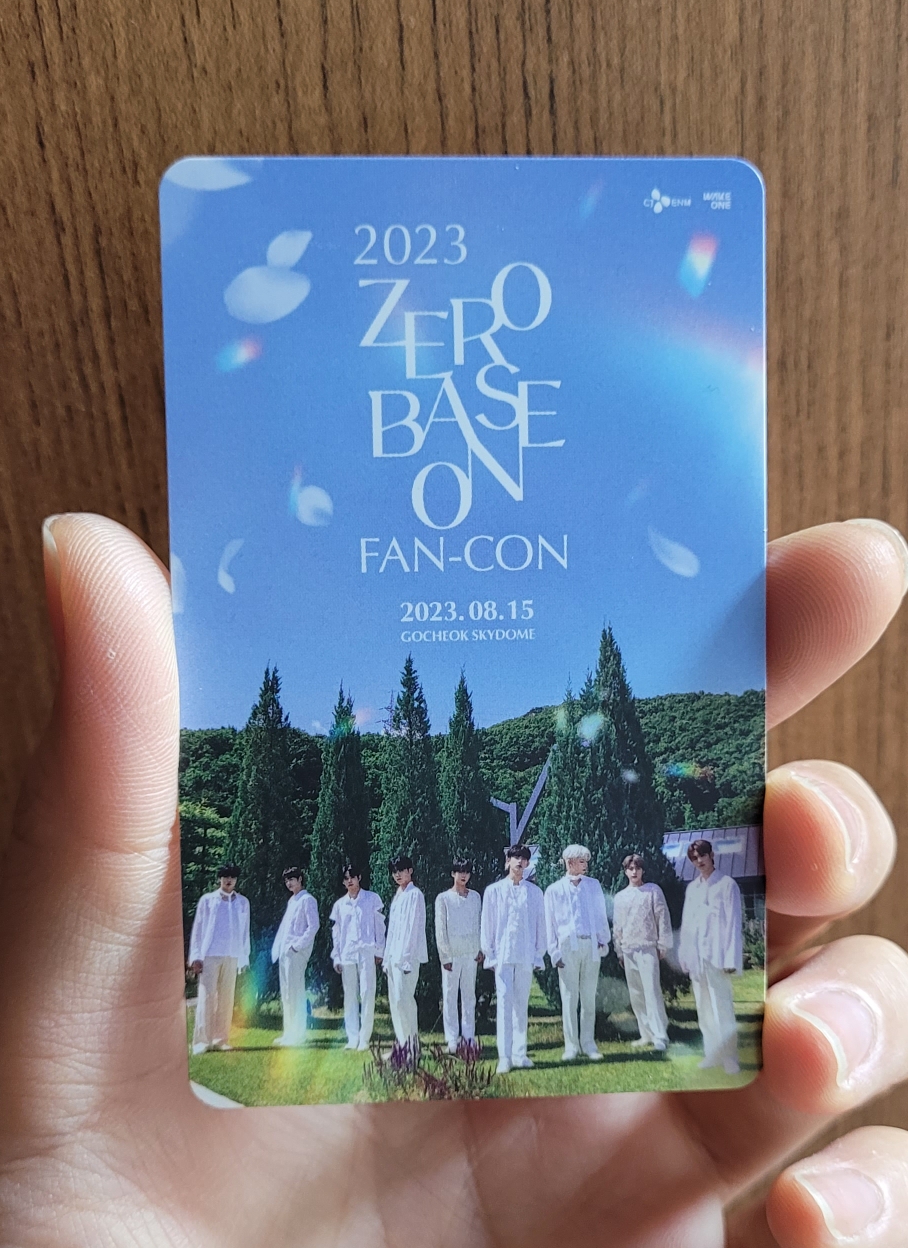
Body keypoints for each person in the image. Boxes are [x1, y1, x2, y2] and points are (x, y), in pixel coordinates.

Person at [4, 514, 908, 1248]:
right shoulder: (423, 899)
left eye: (540, 861)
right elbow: (414, 927)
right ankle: (489, 1053)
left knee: (562, 1005)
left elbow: (569, 918)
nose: (536, 865)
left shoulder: (538, 894)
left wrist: (543, 942)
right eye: (530, 861)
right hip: (436, 955)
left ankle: (573, 1049)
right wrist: (438, 950)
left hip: (544, 949)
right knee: (417, 1009)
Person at [678, 839, 743, 1075]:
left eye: (702, 855)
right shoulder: (692, 889)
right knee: (704, 1009)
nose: (699, 861)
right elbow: (687, 924)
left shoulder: (727, 885)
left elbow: (733, 924)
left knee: (721, 1008)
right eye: (694, 858)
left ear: (711, 855)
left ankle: (730, 1057)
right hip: (697, 957)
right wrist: (685, 954)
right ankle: (712, 1054)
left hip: (718, 957)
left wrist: (730, 959)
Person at [481, 844, 546, 1074]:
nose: (519, 862)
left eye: (523, 859)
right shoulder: (494, 891)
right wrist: (490, 954)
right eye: (515, 857)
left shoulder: (535, 893)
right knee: (505, 1005)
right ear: (508, 861)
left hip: (525, 955)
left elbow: (540, 925)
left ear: (527, 863)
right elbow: (487, 924)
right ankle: (505, 1057)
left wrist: (538, 955)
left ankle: (520, 1054)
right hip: (503, 956)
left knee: (521, 1006)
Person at [544, 844, 610, 1062]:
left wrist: (603, 940)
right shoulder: (554, 890)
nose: (585, 865)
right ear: (570, 862)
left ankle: (589, 1043)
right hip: (567, 948)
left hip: (590, 945)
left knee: (589, 998)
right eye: (582, 861)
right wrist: (554, 952)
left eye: (586, 861)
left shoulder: (593, 885)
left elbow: (601, 913)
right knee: (569, 998)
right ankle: (571, 1046)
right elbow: (550, 923)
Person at [187, 863, 250, 1055]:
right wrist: (196, 956)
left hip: (232, 955)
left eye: (232, 877)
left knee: (226, 999)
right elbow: (198, 930)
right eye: (225, 877)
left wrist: (244, 957)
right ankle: (201, 1041)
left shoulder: (243, 903)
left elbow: (245, 932)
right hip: (210, 955)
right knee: (206, 997)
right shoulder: (207, 900)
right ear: (220, 879)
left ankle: (221, 1039)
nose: (229, 880)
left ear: (236, 880)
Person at [612, 853, 673, 1053]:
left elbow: (662, 917)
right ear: (625, 872)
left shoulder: (653, 891)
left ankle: (660, 1035)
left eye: (637, 868)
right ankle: (646, 1034)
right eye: (630, 868)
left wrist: (663, 944)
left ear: (642, 870)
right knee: (636, 994)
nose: (634, 872)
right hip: (628, 949)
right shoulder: (620, 897)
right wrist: (619, 951)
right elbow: (617, 927)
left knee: (652, 992)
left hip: (648, 948)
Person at [329, 863, 385, 1051]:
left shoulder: (371, 899)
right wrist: (336, 956)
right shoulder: (340, 905)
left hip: (367, 951)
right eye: (346, 878)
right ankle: (352, 1037)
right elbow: (337, 933)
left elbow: (379, 926)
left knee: (367, 993)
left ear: (359, 878)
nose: (350, 881)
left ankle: (364, 1038)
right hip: (347, 953)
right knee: (350, 996)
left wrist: (379, 950)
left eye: (352, 877)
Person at [435, 857, 483, 1052]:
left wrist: (480, 949)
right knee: (450, 996)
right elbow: (440, 929)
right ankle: (452, 1039)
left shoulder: (475, 897)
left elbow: (479, 924)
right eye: (460, 872)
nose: (463, 876)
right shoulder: (443, 898)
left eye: (467, 872)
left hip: (470, 953)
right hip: (452, 956)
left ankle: (469, 1038)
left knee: (469, 996)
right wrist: (445, 956)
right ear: (453, 873)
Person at [270, 866, 319, 1047]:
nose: (289, 883)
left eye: (292, 879)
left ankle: (298, 1034)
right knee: (287, 993)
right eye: (286, 880)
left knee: (295, 992)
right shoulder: (292, 901)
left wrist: (296, 946)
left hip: (296, 953)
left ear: (300, 880)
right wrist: (281, 949)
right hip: (285, 952)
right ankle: (289, 1033)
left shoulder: (308, 900)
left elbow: (313, 926)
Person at [382, 854, 428, 1046]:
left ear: (410, 871)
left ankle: (412, 1045)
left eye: (401, 870)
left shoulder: (415, 895)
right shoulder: (398, 896)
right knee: (395, 1002)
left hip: (407, 957)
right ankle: (402, 1046)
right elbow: (392, 930)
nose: (397, 875)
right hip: (393, 956)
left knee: (404, 1000)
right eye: (394, 872)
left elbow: (413, 928)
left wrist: (407, 958)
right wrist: (386, 959)